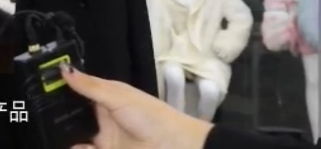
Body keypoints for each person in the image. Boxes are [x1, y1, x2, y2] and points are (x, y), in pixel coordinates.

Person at [62, 65, 319, 149]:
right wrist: (174, 135)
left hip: (204, 59)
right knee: (173, 78)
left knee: (209, 90)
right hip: (172, 60)